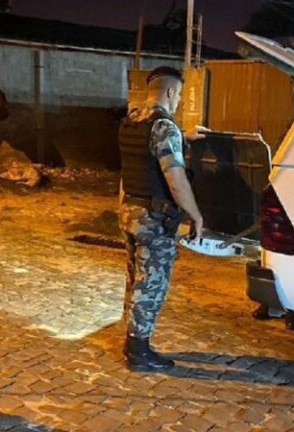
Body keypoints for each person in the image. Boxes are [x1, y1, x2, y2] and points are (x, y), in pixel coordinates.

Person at [118, 66, 205, 372]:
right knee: (151, 282)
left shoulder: (131, 121)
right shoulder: (164, 128)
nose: (179, 100)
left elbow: (138, 163)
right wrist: (194, 215)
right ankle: (139, 352)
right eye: (179, 94)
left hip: (130, 211)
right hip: (154, 219)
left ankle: (130, 339)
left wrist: (184, 137)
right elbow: (175, 179)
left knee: (135, 279)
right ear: (170, 92)